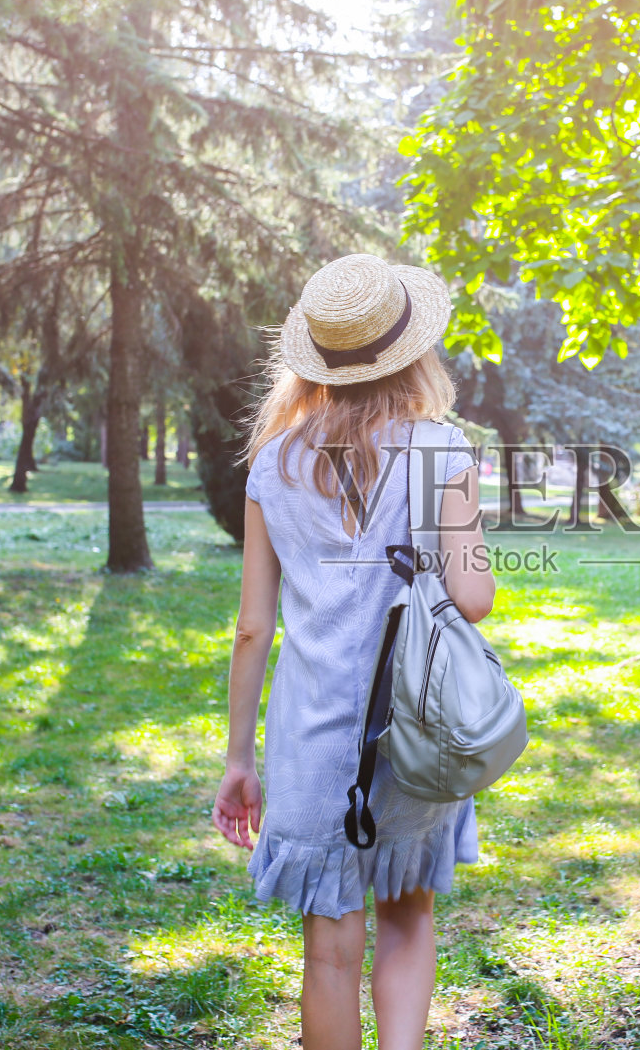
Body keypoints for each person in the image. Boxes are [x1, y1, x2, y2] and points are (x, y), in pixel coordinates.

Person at [211, 254, 495, 1050]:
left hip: (310, 742)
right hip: (416, 731)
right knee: (407, 919)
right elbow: (474, 597)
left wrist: (239, 759)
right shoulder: (442, 450)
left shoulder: (274, 463)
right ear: (411, 351)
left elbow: (253, 627)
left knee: (328, 956)